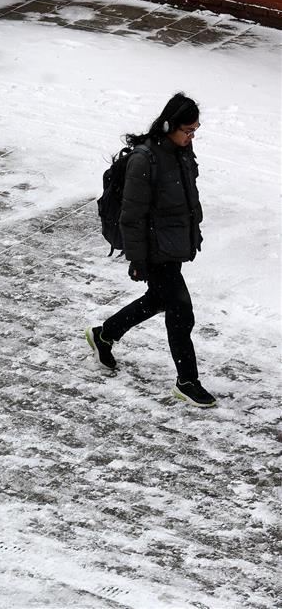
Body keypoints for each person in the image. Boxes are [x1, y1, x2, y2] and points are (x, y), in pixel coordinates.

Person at [86, 92, 216, 407]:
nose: (192, 136)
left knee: (159, 299)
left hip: (173, 244)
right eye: (188, 130)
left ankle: (104, 334)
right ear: (170, 125)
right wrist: (137, 260)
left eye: (195, 130)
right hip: (154, 248)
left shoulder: (181, 152)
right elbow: (131, 217)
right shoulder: (145, 159)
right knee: (181, 310)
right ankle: (187, 381)